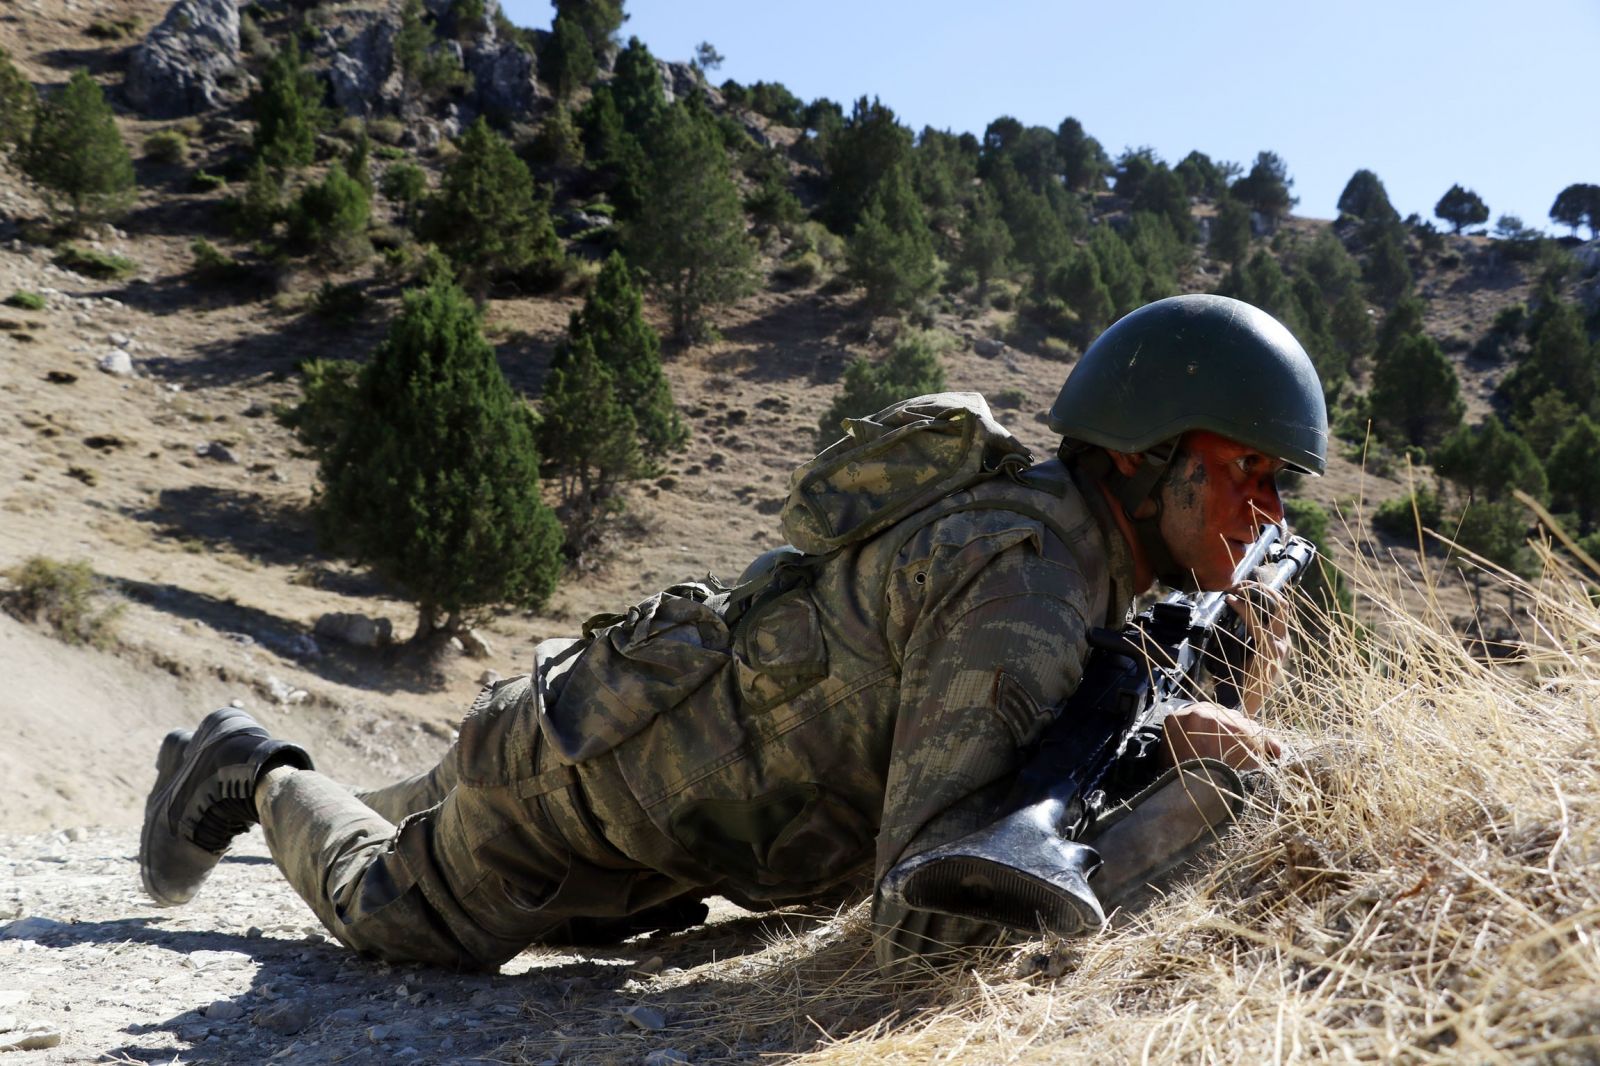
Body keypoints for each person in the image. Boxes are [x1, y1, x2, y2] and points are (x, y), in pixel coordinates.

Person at [139, 294, 1328, 973]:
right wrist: (1196, 802)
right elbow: (930, 908)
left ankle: (351, 782)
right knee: (390, 910)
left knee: (436, 787)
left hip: (636, 747)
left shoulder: (1070, 550)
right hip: (594, 796)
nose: (1266, 510)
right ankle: (255, 766)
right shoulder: (1026, 588)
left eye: (1279, 488)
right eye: (1248, 473)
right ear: (1143, 451)